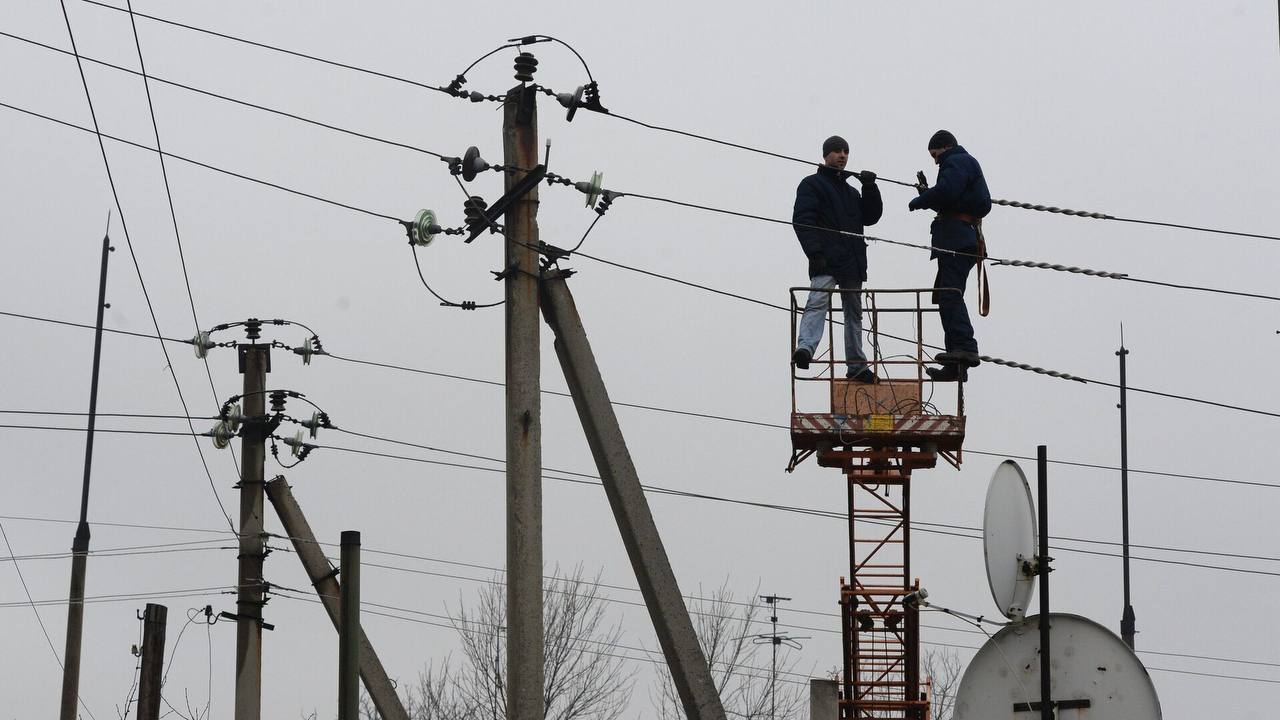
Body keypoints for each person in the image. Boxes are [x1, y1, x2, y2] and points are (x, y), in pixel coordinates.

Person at [792, 135, 882, 382]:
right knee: (818, 301)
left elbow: (870, 217)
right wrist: (815, 254)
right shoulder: (812, 185)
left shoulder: (851, 192)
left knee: (854, 313)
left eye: (846, 151)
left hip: (851, 261)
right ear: (825, 155)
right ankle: (805, 348)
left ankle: (857, 365)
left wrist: (870, 188)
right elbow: (803, 220)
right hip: (827, 259)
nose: (842, 155)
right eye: (837, 151)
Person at [908, 130, 991, 382]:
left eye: (935, 155)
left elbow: (948, 192)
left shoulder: (956, 161)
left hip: (957, 241)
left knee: (951, 295)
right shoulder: (962, 163)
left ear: (945, 147)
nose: (936, 161)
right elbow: (951, 200)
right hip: (960, 239)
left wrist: (921, 199)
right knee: (946, 296)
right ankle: (956, 364)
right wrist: (928, 194)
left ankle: (965, 347)